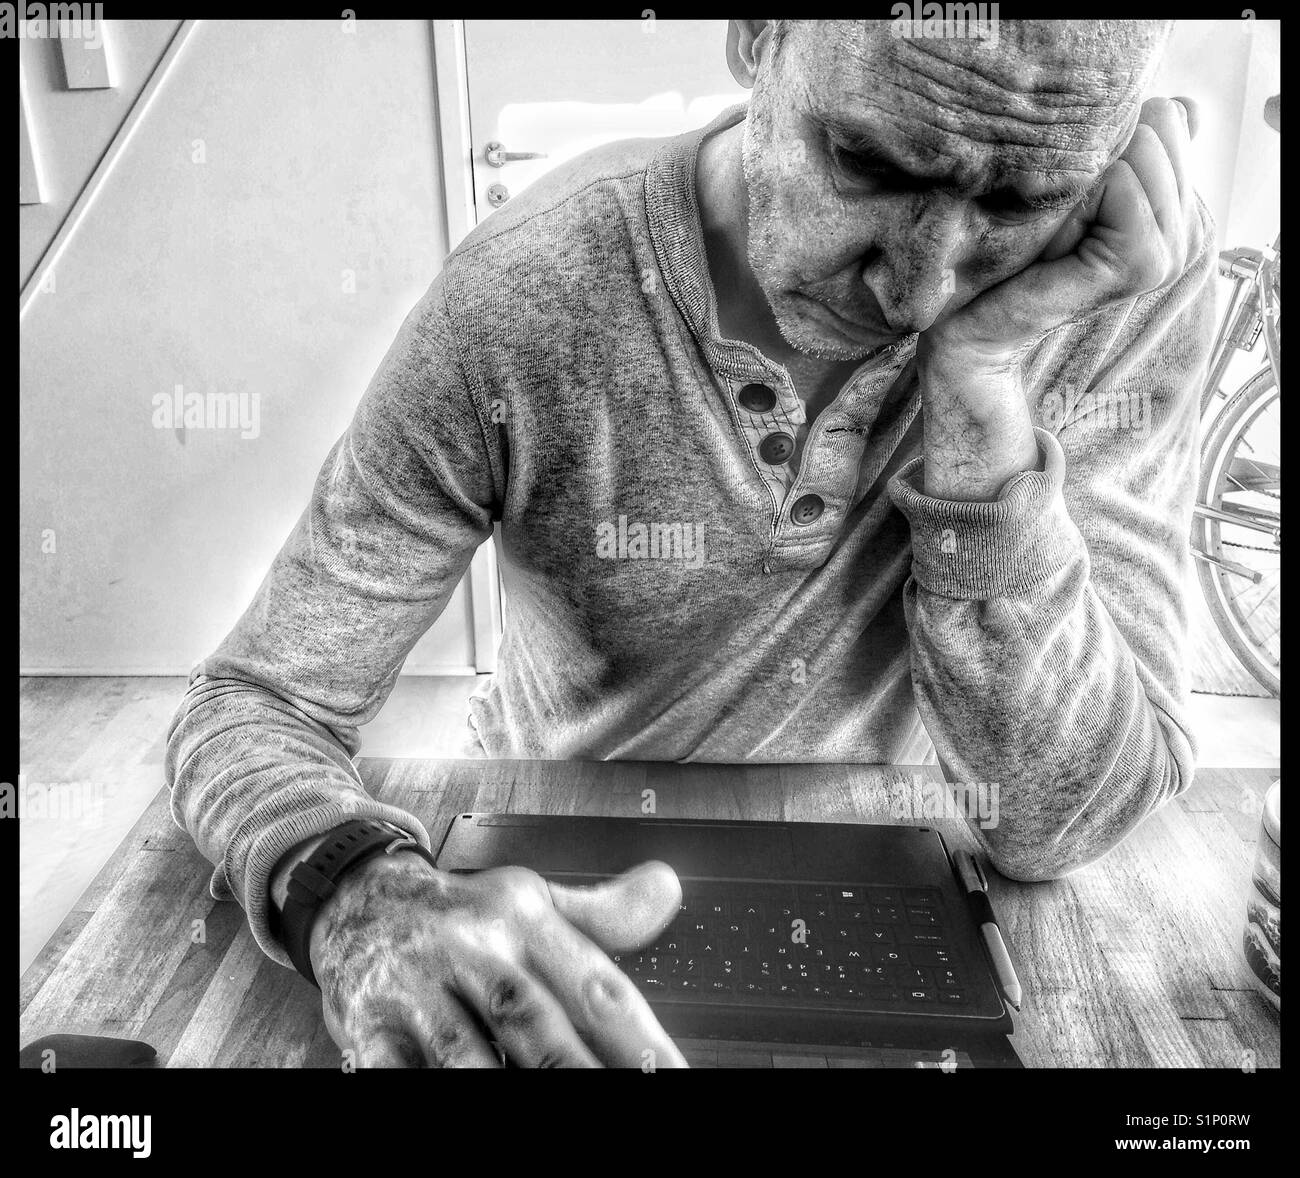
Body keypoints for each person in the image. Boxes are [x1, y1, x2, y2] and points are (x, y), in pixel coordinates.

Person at [166, 19, 1214, 1067]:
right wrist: (353, 890)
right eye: (865, 161)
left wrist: (982, 385)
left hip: (899, 877)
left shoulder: (1117, 274)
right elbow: (254, 701)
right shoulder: (522, 295)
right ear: (757, 35)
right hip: (556, 861)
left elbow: (1061, 818)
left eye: (1018, 201)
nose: (923, 291)